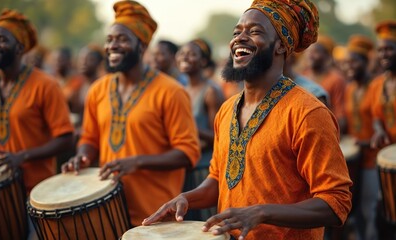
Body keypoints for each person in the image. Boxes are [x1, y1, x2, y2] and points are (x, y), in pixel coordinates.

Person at [143, 0, 353, 239]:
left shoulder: (308, 112)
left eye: (254, 32)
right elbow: (217, 179)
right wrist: (186, 198)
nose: (239, 38)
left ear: (281, 47)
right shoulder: (227, 109)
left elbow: (336, 201)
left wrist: (262, 212)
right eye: (237, 32)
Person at [61, 0, 200, 227]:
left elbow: (188, 153)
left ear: (142, 46)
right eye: (109, 40)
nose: (113, 46)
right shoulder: (98, 89)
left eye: (122, 39)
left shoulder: (171, 91)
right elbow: (89, 137)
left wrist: (137, 162)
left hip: (155, 215)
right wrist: (83, 156)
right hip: (107, 209)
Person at [0, 9, 74, 193]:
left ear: (20, 48)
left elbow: (66, 138)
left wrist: (23, 156)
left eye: (2, 40)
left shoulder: (46, 85)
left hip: (34, 190)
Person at [176, 38, 225, 220]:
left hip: (204, 172)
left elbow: (219, 137)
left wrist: (190, 129)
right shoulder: (181, 90)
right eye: (182, 53)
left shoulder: (211, 91)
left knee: (205, 226)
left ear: (203, 61)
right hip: (185, 168)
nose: (185, 57)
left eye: (191, 54)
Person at [343, 35, 378, 240]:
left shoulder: (375, 87)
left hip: (372, 157)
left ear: (365, 63)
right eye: (347, 62)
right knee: (356, 212)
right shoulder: (350, 88)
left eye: (354, 61)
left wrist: (366, 142)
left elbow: (379, 122)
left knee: (369, 209)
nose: (349, 66)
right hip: (355, 157)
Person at [303, 35, 347, 132]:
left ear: (327, 56)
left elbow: (340, 116)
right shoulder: (302, 77)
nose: (310, 55)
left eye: (316, 52)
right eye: (309, 51)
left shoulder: (336, 80)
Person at [370, 20, 396, 149]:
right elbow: (376, 117)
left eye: (389, 49)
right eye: (380, 50)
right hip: (388, 154)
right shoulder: (377, 84)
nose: (383, 55)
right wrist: (379, 130)